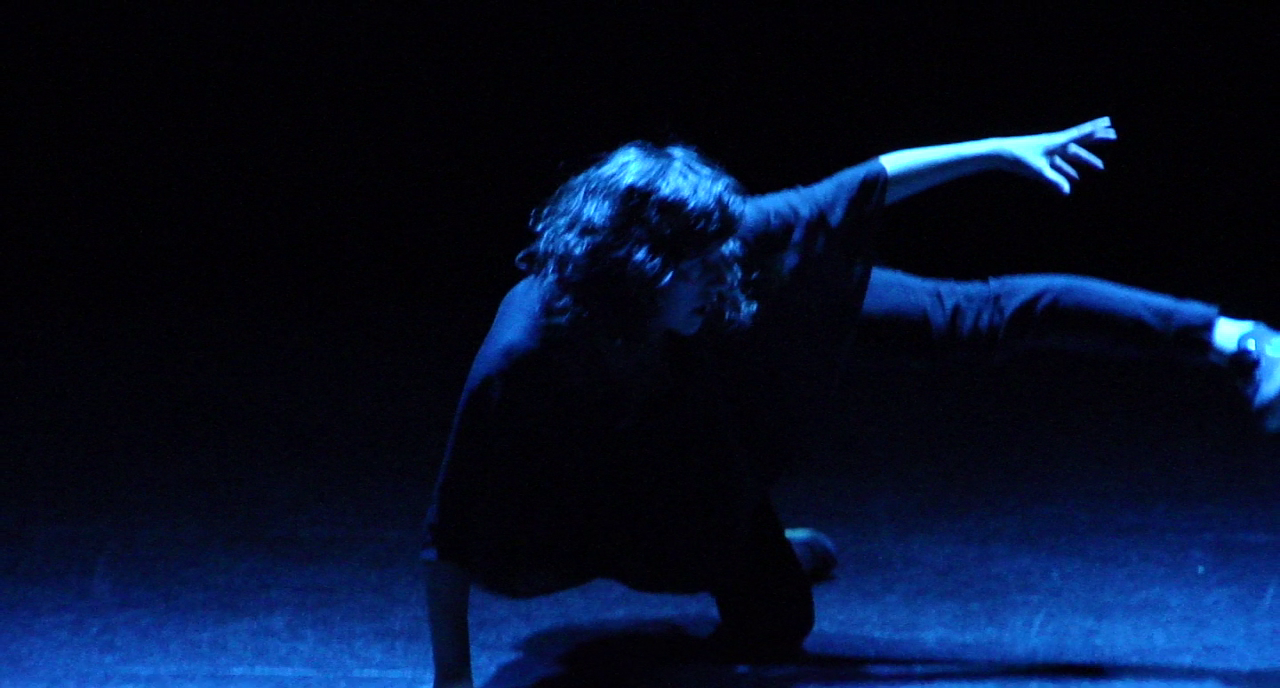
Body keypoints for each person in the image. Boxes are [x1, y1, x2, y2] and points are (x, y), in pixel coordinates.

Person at [422, 117, 1280, 688]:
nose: (720, 275)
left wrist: (1001, 150)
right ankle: (751, 543)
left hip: (725, 353)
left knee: (969, 314)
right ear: (642, 271)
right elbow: (448, 538)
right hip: (631, 485)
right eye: (701, 271)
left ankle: (1236, 339)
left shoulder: (727, 261)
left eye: (723, 259)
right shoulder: (526, 351)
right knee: (758, 611)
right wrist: (453, 681)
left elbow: (866, 181)